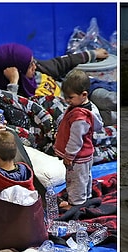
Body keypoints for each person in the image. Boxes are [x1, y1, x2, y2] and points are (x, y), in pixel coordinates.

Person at [0, 43, 109, 101]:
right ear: (18, 70)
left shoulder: (36, 70)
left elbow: (61, 63)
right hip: (74, 106)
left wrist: (93, 54)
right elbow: (13, 109)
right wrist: (13, 82)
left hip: (81, 89)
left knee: (110, 99)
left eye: (33, 61)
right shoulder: (18, 95)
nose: (34, 66)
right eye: (30, 65)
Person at [54, 70, 102, 208]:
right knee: (84, 177)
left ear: (84, 94)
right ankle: (85, 197)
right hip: (85, 154)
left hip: (77, 156)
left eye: (70, 97)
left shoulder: (80, 117)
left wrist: (69, 155)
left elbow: (76, 140)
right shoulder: (87, 107)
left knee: (76, 180)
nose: (67, 100)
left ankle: (76, 203)